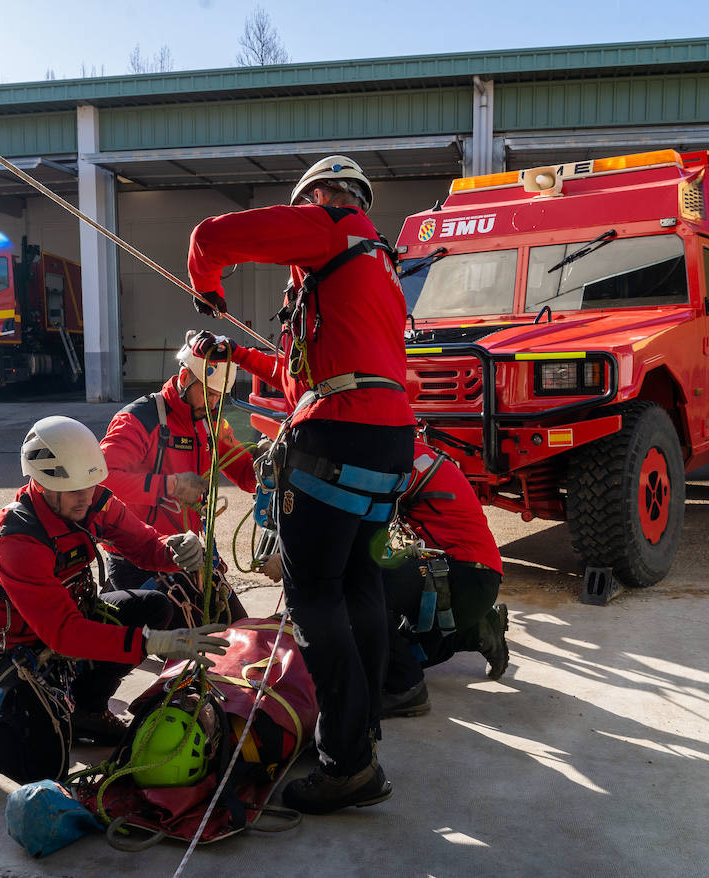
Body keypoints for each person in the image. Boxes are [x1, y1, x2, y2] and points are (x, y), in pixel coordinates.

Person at [186, 155, 415, 814]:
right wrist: (236, 351)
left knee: (313, 595)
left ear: (321, 197)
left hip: (336, 439)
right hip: (387, 440)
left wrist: (209, 289)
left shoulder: (328, 227)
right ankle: (360, 738)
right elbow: (300, 377)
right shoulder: (376, 266)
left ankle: (347, 763)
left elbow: (210, 237)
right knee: (358, 586)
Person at [0, 416, 230, 784]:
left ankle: (86, 711)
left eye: (90, 485)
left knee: (155, 607)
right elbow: (64, 633)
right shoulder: (17, 541)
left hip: (62, 627)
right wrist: (148, 641)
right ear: (43, 483)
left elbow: (141, 544)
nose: (86, 496)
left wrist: (172, 550)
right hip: (9, 654)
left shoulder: (91, 500)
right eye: (74, 489)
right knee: (45, 768)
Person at [98, 331, 258, 622]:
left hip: (187, 553)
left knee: (239, 630)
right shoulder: (140, 418)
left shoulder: (211, 423)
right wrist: (170, 486)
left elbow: (247, 477)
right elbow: (102, 479)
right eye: (207, 393)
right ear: (185, 378)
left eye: (219, 397)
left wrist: (267, 463)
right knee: (193, 643)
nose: (212, 403)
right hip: (136, 558)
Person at [381, 438, 510, 718]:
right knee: (406, 648)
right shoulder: (405, 450)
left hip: (468, 576)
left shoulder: (405, 459)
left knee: (368, 589)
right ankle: (481, 628)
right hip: (467, 576)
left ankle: (407, 692)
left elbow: (363, 517)